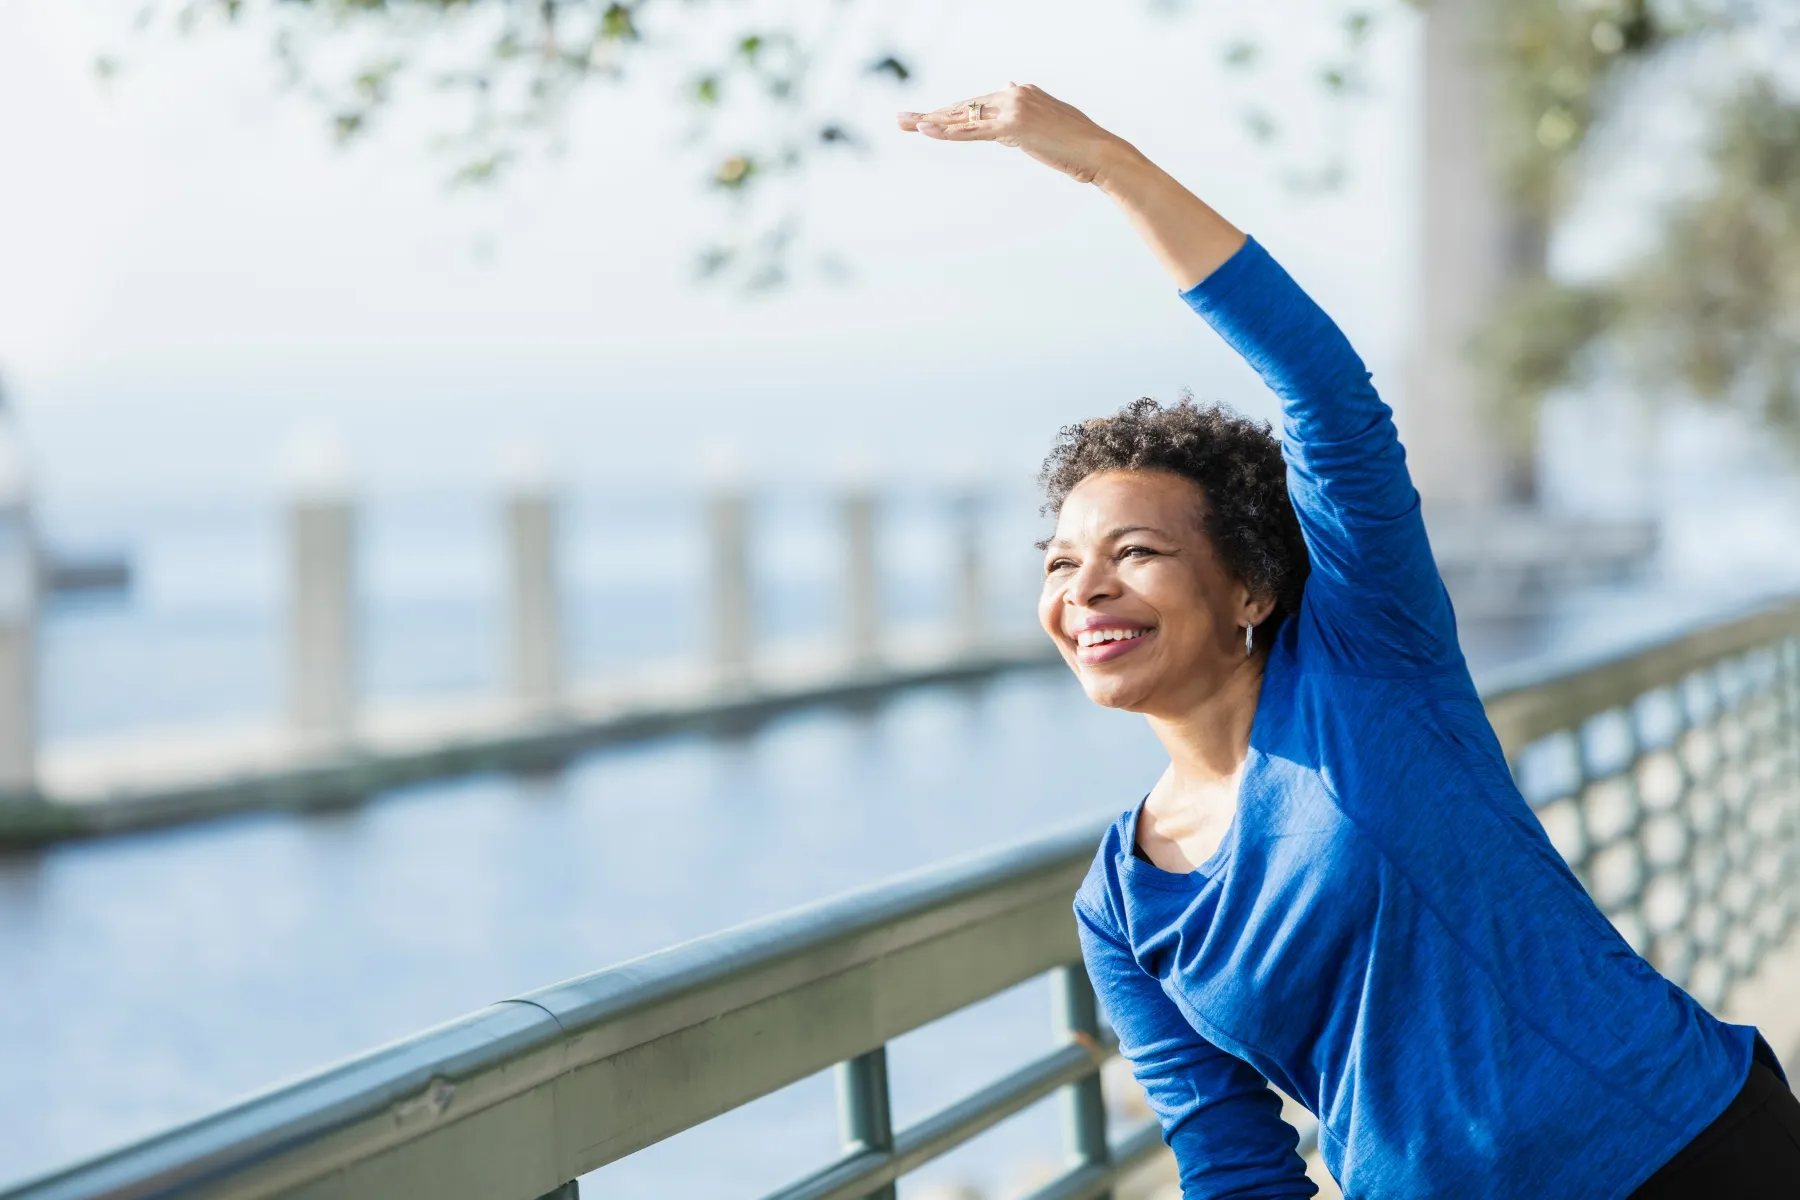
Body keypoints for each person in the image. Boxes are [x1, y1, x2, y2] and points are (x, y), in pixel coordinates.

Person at [899, 87, 1800, 1198]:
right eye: (1058, 563)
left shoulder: (1369, 655)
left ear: (1254, 589)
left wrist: (1106, 164)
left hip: (1684, 1155)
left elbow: (1325, 395)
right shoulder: (1122, 906)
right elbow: (1230, 1162)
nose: (1085, 588)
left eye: (1134, 552)